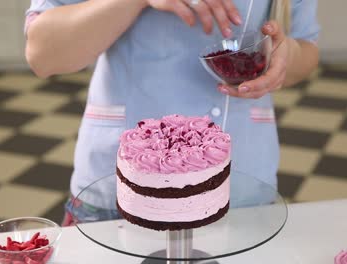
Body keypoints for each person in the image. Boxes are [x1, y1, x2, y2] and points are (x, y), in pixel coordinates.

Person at [25, 0, 319, 225]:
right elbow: (44, 54)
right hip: (119, 194)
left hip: (243, 190)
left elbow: (306, 48)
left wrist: (284, 55)